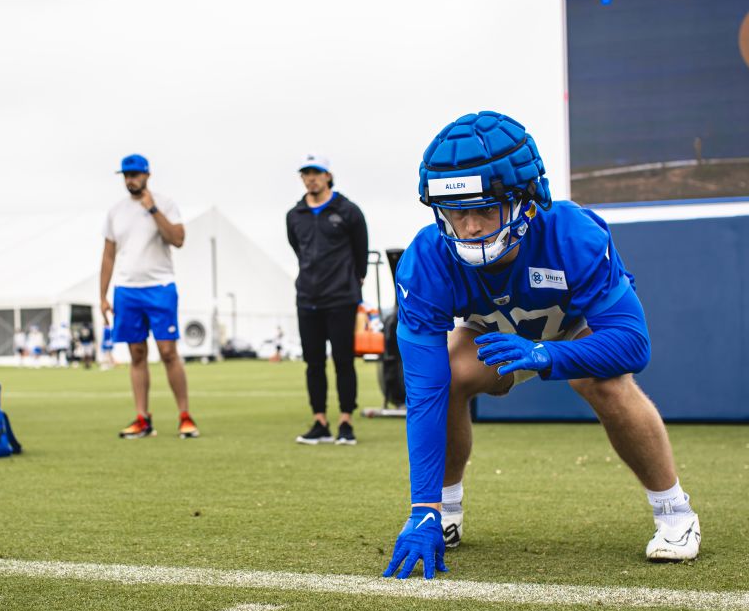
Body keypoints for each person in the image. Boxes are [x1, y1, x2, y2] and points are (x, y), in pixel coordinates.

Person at [382, 112, 701, 580]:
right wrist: (421, 505)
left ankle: (674, 511)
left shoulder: (572, 233)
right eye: (455, 211)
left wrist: (550, 355)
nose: (468, 228)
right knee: (447, 376)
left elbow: (633, 344)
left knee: (605, 383)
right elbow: (424, 390)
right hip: (492, 332)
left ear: (527, 200)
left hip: (570, 328)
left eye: (485, 209)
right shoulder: (427, 258)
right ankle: (444, 511)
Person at [100, 154, 199, 439]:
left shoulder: (165, 204)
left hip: (160, 287)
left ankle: (185, 415)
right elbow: (108, 255)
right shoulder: (115, 211)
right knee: (137, 354)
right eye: (126, 175)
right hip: (126, 290)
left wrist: (153, 209)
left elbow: (178, 239)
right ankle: (143, 418)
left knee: (168, 352)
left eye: (135, 175)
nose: (131, 180)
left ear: (147, 175)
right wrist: (103, 295)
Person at [285, 153, 369, 445]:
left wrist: (349, 284)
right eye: (306, 173)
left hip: (341, 299)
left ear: (328, 176)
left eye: (316, 172)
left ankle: (346, 421)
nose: (311, 178)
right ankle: (320, 421)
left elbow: (361, 257)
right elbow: (299, 250)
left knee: (344, 361)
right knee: (313, 362)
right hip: (307, 297)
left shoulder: (348, 211)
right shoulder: (294, 215)